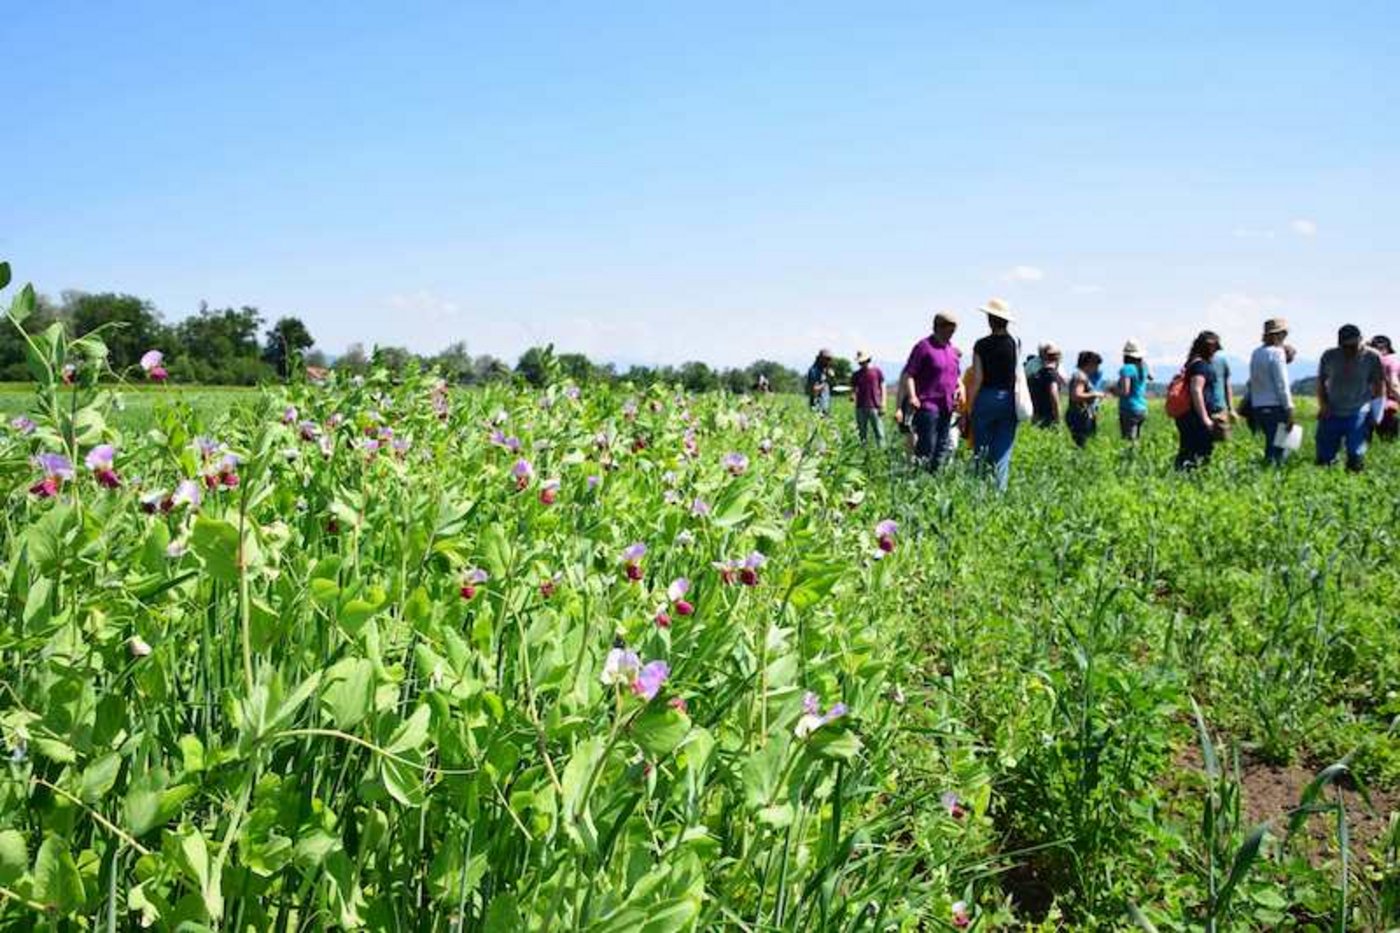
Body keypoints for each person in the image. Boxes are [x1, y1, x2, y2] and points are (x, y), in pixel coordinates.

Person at [967, 298, 1020, 490]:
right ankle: (998, 494)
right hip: (1008, 400)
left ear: (990, 319)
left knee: (981, 452)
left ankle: (980, 492)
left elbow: (977, 378)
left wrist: (970, 407)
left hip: (986, 398)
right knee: (1002, 453)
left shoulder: (981, 345)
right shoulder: (1014, 344)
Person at [1316, 324, 1385, 471]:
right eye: (1345, 346)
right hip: (1332, 410)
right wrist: (1323, 405)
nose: (1349, 350)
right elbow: (1321, 382)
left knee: (1355, 453)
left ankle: (1353, 479)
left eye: (1353, 346)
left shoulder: (1372, 357)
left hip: (1358, 410)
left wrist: (1377, 413)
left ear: (1361, 340)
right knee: (1324, 458)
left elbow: (1379, 386)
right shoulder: (1329, 356)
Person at [901, 312, 962, 469]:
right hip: (927, 405)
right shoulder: (924, 347)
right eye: (949, 330)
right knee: (927, 445)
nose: (951, 334)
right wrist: (913, 396)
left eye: (953, 330)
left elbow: (956, 377)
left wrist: (959, 389)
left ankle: (934, 480)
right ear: (938, 327)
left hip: (947, 406)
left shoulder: (952, 351)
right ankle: (921, 480)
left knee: (941, 448)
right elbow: (909, 374)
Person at [1173, 331, 1226, 470]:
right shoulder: (1201, 365)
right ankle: (1193, 482)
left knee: (1187, 451)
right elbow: (1196, 390)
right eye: (1214, 348)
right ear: (1209, 348)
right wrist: (1205, 419)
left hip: (1188, 415)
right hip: (1195, 417)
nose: (1215, 352)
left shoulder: (1192, 362)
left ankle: (1180, 479)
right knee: (1199, 452)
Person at [1247, 318, 1294, 466]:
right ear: (1280, 335)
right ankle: (1272, 477)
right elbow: (1282, 384)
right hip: (1275, 407)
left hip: (1259, 406)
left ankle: (1267, 474)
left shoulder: (1256, 353)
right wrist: (1289, 409)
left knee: (1271, 445)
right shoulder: (1277, 353)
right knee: (1281, 448)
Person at [1065, 351, 1106, 447]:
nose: (1097, 369)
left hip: (1080, 415)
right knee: (1082, 444)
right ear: (1089, 364)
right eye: (1096, 365)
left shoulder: (1081, 376)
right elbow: (1076, 395)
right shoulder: (1080, 377)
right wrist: (1094, 394)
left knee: (1084, 443)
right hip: (1079, 416)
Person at [1117, 339, 1151, 441]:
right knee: (1137, 439)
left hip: (1129, 409)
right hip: (1142, 408)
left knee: (1129, 441)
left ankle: (1131, 457)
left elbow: (1125, 391)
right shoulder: (1144, 367)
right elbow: (1151, 377)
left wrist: (1113, 390)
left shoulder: (1127, 368)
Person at [1368, 335, 1400, 441]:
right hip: (1387, 409)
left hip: (1364, 409)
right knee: (1388, 444)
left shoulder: (1364, 362)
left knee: (1363, 449)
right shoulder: (1391, 361)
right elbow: (1394, 385)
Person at [851, 350, 886, 446]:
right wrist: (853, 395)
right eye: (860, 362)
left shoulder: (877, 372)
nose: (861, 363)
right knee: (862, 434)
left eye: (863, 361)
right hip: (860, 407)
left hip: (875, 406)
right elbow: (854, 389)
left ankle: (882, 454)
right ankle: (863, 454)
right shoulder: (856, 374)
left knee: (879, 433)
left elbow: (883, 388)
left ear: (868, 360)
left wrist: (883, 403)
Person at [1029, 343, 1065, 428]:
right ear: (1058, 359)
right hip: (1049, 420)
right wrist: (1058, 419)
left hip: (1036, 419)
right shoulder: (1051, 375)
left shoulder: (1036, 375)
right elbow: (1054, 395)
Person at [806, 350, 834, 414]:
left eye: (830, 359)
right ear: (821, 358)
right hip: (818, 406)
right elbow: (814, 389)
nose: (829, 361)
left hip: (825, 406)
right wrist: (827, 380)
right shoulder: (814, 371)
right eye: (827, 359)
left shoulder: (824, 369)